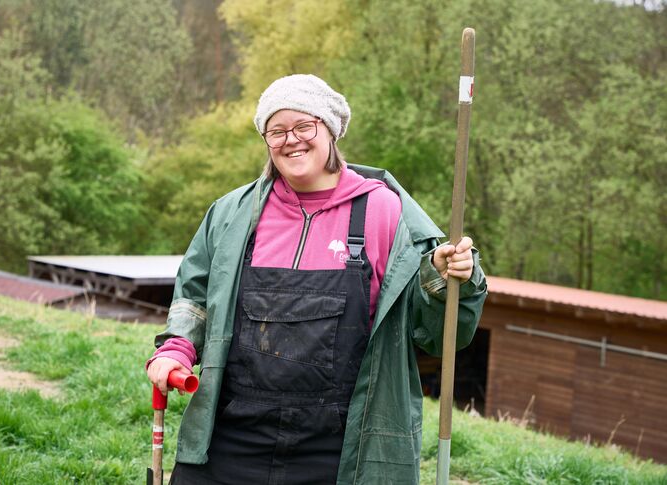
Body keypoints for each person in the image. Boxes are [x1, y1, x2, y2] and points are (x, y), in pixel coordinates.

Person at [146, 74, 487, 485]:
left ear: (330, 129)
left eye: (304, 126)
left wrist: (449, 279)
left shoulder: (386, 212)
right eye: (276, 131)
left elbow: (438, 333)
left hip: (341, 446)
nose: (291, 140)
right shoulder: (232, 214)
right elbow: (195, 294)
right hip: (232, 434)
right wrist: (178, 347)